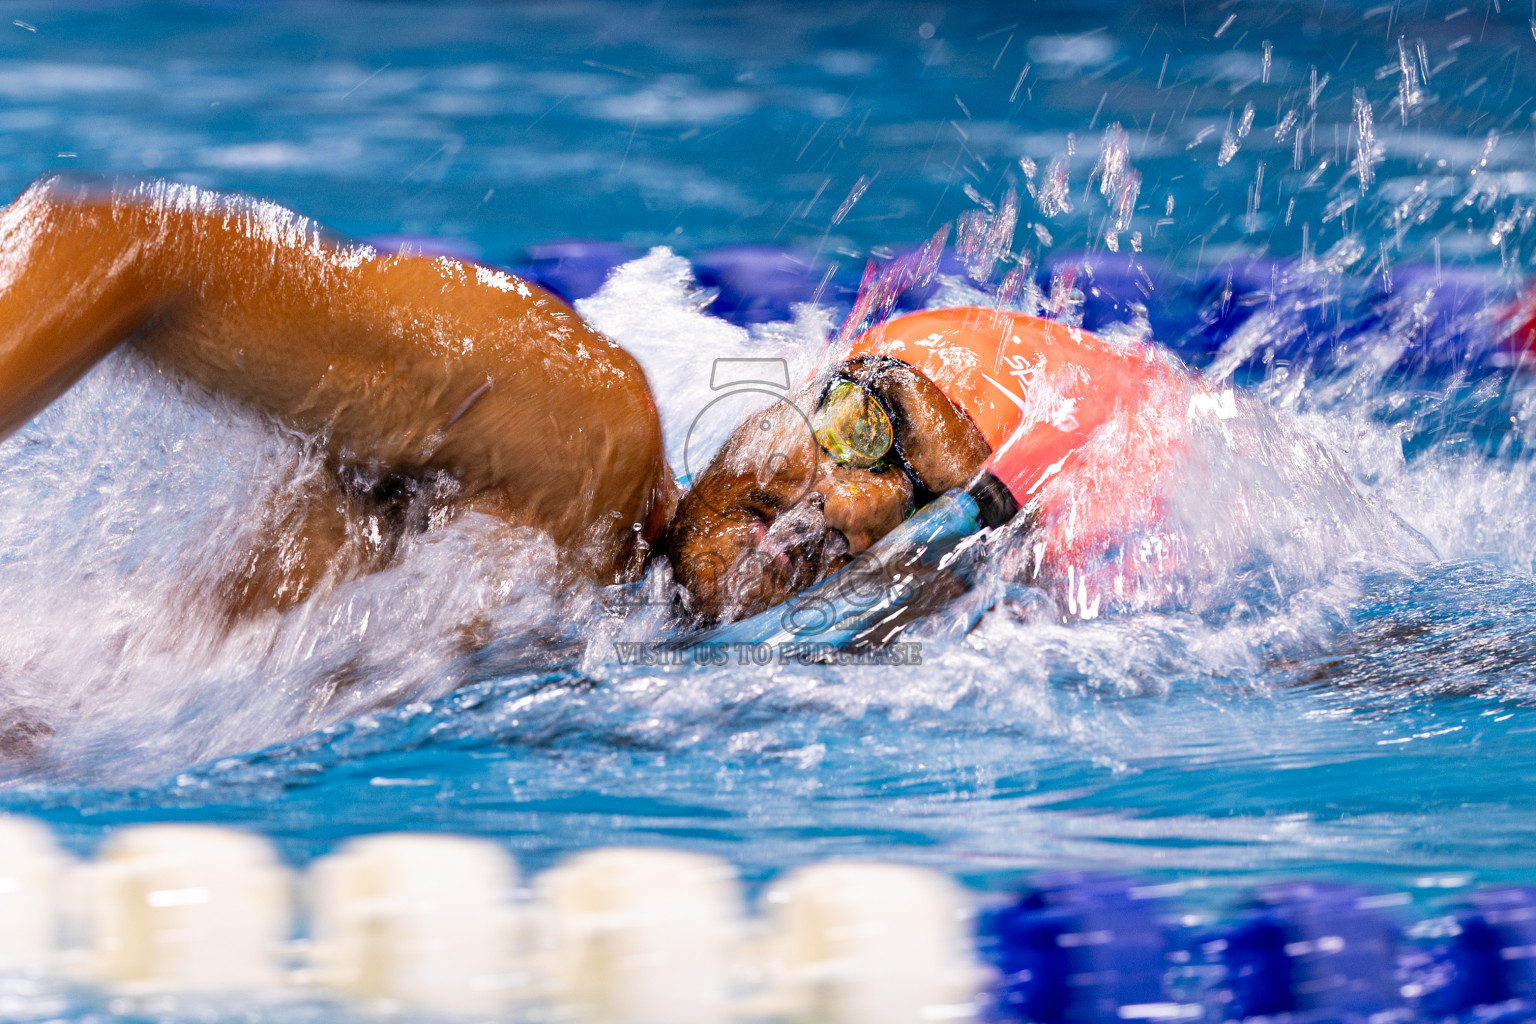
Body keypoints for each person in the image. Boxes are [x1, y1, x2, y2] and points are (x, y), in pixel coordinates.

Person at [0, 176, 1187, 628]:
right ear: (802, 386)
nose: (849, 504)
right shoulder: (581, 433)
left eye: (929, 511)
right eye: (866, 426)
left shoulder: (654, 662)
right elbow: (127, 249)